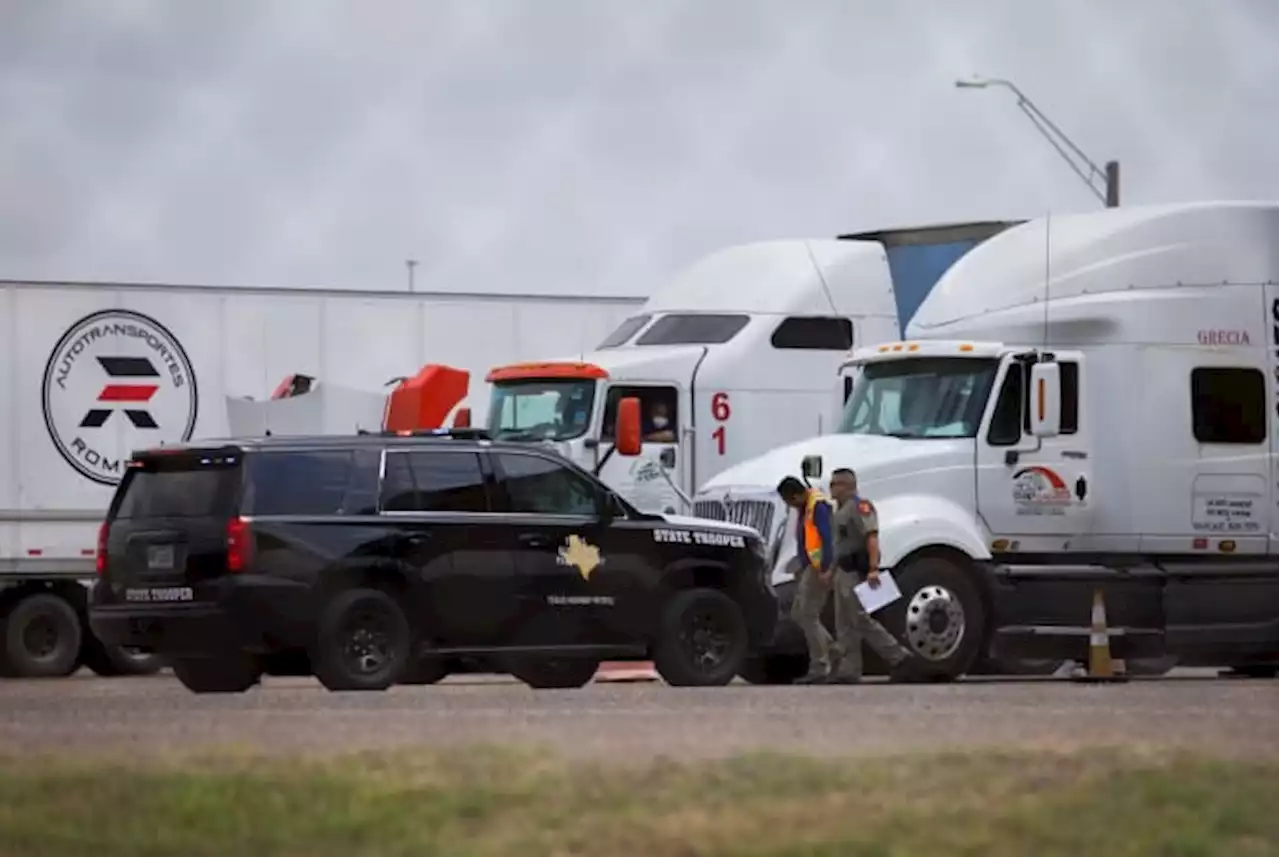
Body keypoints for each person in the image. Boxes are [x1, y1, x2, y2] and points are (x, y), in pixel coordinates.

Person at [826, 467, 920, 683]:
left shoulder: (860, 507)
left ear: (848, 486)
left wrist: (873, 568)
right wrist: (831, 572)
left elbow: (871, 537)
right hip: (843, 570)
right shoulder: (838, 511)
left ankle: (899, 657)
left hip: (857, 571)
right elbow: (838, 546)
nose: (832, 489)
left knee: (860, 619)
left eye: (836, 484)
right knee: (844, 623)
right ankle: (849, 670)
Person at [776, 475, 838, 684]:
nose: (790, 507)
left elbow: (828, 540)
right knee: (798, 613)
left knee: (808, 615)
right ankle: (833, 650)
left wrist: (826, 568)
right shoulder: (806, 507)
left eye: (789, 502)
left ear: (795, 496)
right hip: (810, 567)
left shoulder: (818, 506)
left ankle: (820, 665)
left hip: (819, 567)